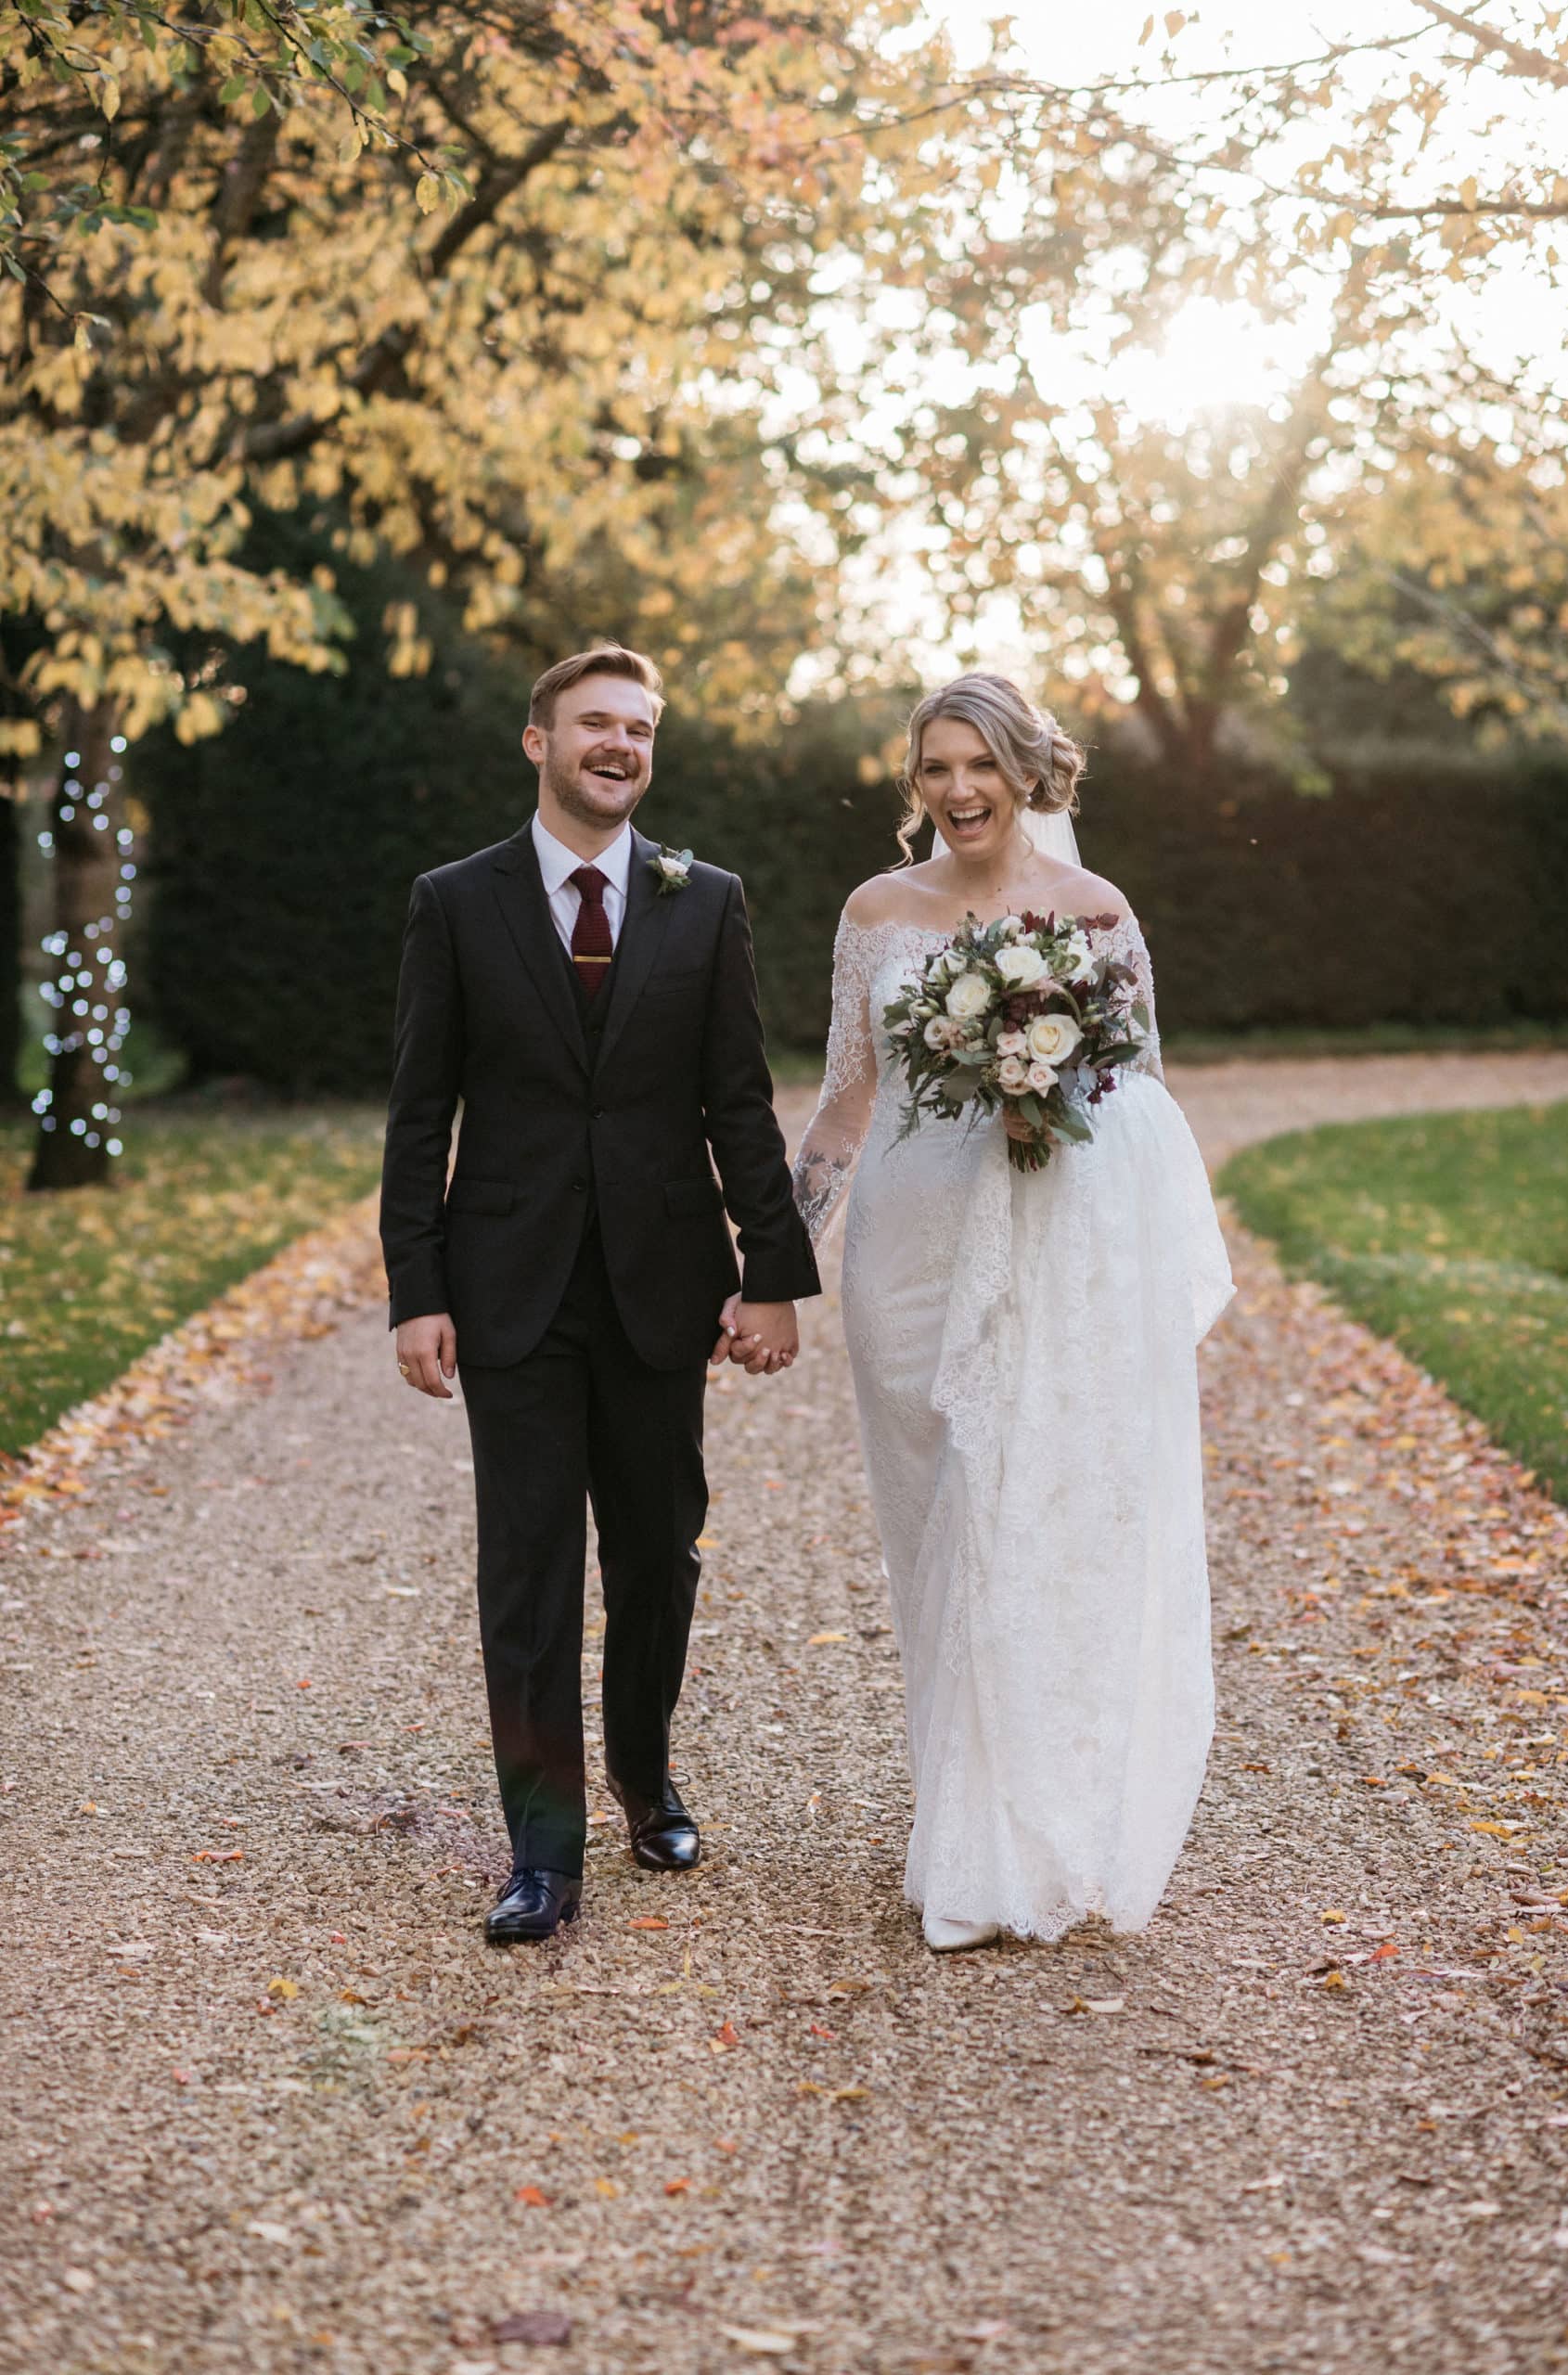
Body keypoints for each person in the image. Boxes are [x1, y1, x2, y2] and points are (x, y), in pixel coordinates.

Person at [379, 643, 819, 1943]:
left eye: (637, 728)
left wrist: (776, 1274)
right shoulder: (456, 902)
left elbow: (739, 1103)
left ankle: (644, 1774)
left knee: (656, 1556)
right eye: (594, 726)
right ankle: (544, 1852)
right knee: (525, 1573)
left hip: (657, 1288)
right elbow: (420, 1112)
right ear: (540, 743)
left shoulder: (705, 900)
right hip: (507, 1286)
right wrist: (417, 1287)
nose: (618, 746)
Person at [791, 673, 1233, 1952]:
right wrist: (770, 1257)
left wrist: (1043, 1090)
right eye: (935, 768)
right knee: (934, 1539)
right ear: (916, 783)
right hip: (903, 1266)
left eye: (978, 763)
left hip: (1044, 1262)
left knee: (1023, 1526)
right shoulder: (877, 914)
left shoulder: (1094, 915)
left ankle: (1021, 1837)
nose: (958, 789)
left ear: (1028, 771)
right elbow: (842, 1105)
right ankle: (960, 1809)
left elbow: (1141, 1108)